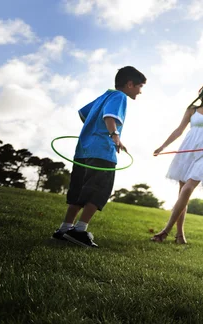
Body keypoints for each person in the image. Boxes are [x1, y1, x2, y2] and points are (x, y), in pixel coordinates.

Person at [52, 66, 147, 248]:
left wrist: (93, 131)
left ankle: (64, 228)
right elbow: (109, 117)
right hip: (102, 151)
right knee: (98, 191)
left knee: (79, 190)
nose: (140, 91)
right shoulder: (120, 96)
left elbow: (83, 114)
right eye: (140, 86)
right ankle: (79, 231)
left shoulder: (103, 96)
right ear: (129, 84)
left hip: (83, 150)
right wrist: (115, 136)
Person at [151, 82, 203, 244]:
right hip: (187, 151)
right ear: (202, 92)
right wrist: (162, 147)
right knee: (183, 193)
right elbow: (179, 130)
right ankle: (180, 235)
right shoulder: (192, 110)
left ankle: (165, 231)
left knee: (188, 188)